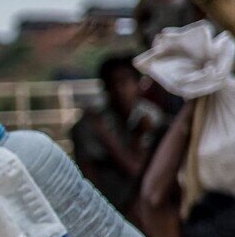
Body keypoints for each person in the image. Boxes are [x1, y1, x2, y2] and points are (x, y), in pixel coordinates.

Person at [71, 55, 166, 217]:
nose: (119, 90)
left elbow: (136, 170)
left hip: (142, 198)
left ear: (137, 85)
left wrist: (106, 137)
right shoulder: (93, 123)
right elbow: (89, 171)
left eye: (125, 82)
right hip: (109, 197)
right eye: (113, 84)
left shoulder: (149, 117)